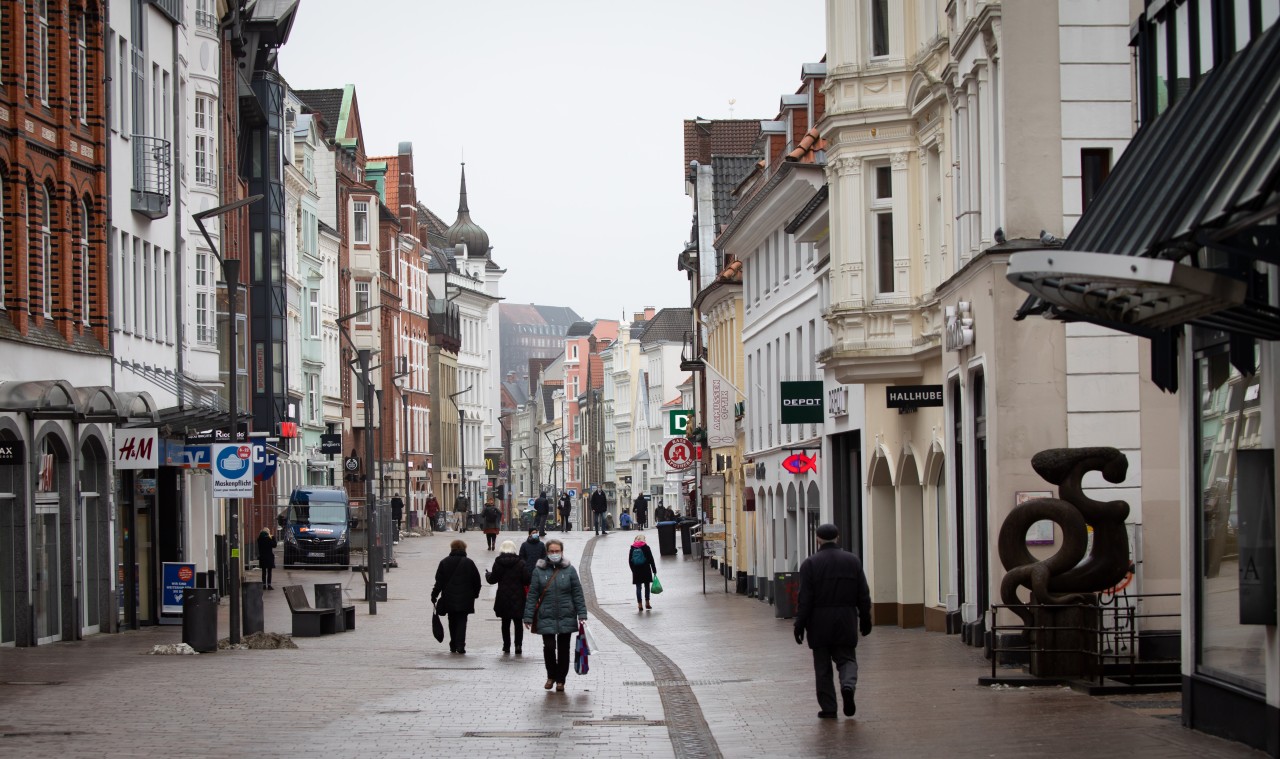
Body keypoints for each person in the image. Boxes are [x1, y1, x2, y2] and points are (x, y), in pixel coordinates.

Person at [793, 523, 872, 720]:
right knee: (847, 659)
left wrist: (799, 624)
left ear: (818, 539)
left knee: (822, 667)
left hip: (818, 622)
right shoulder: (852, 561)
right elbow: (863, 594)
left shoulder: (810, 564)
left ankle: (828, 708)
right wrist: (866, 618)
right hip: (846, 618)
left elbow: (805, 599)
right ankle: (847, 684)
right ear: (837, 537)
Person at [523, 538, 587, 692]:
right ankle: (551, 675)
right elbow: (532, 595)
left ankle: (561, 680)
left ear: (561, 552)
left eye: (557, 551)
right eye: (551, 551)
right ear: (547, 553)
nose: (554, 554)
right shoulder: (539, 571)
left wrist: (582, 615)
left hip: (566, 613)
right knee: (549, 647)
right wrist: (528, 616)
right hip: (547, 615)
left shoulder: (569, 570)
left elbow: (577, 593)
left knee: (564, 649)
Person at [431, 539, 482, 654]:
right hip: (466, 598)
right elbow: (477, 581)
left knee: (452, 620)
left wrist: (434, 595)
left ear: (452, 549)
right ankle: (460, 645)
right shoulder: (469, 563)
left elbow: (439, 582)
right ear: (464, 549)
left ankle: (453, 643)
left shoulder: (444, 562)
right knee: (462, 621)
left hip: (449, 597)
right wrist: (475, 594)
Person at [486, 540, 530, 655]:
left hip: (503, 596)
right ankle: (518, 645)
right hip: (518, 596)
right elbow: (526, 580)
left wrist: (488, 574)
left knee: (505, 622)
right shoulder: (521, 563)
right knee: (518, 622)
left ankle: (506, 646)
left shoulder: (498, 563)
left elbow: (492, 580)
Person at [627, 533, 657, 611]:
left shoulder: (632, 548)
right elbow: (651, 559)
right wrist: (654, 570)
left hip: (636, 571)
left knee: (638, 587)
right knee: (646, 586)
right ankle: (647, 603)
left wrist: (633, 570)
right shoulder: (646, 547)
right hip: (646, 570)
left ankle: (639, 604)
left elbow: (630, 561)